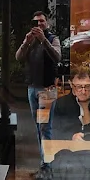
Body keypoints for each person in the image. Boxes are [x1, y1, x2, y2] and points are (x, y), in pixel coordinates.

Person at [15, 11, 61, 154]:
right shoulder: (30, 40)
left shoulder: (52, 38)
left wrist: (44, 40)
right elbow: (18, 57)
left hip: (47, 89)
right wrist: (25, 43)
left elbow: (57, 57)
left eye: (42, 21)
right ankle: (44, 161)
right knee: (38, 126)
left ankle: (47, 165)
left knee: (45, 127)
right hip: (32, 88)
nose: (39, 24)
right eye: (36, 22)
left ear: (46, 23)